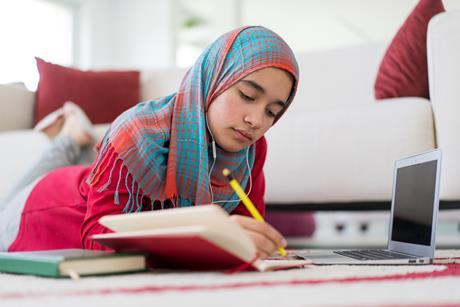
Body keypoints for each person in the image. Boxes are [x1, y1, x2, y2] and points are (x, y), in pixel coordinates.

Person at [0, 26, 300, 259]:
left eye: (272, 112)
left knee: (90, 172)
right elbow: (96, 239)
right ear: (212, 80)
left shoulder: (252, 149)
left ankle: (70, 140)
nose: (256, 120)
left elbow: (249, 235)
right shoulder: (135, 131)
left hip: (87, 184)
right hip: (42, 210)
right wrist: (207, 242)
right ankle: (67, 139)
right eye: (247, 96)